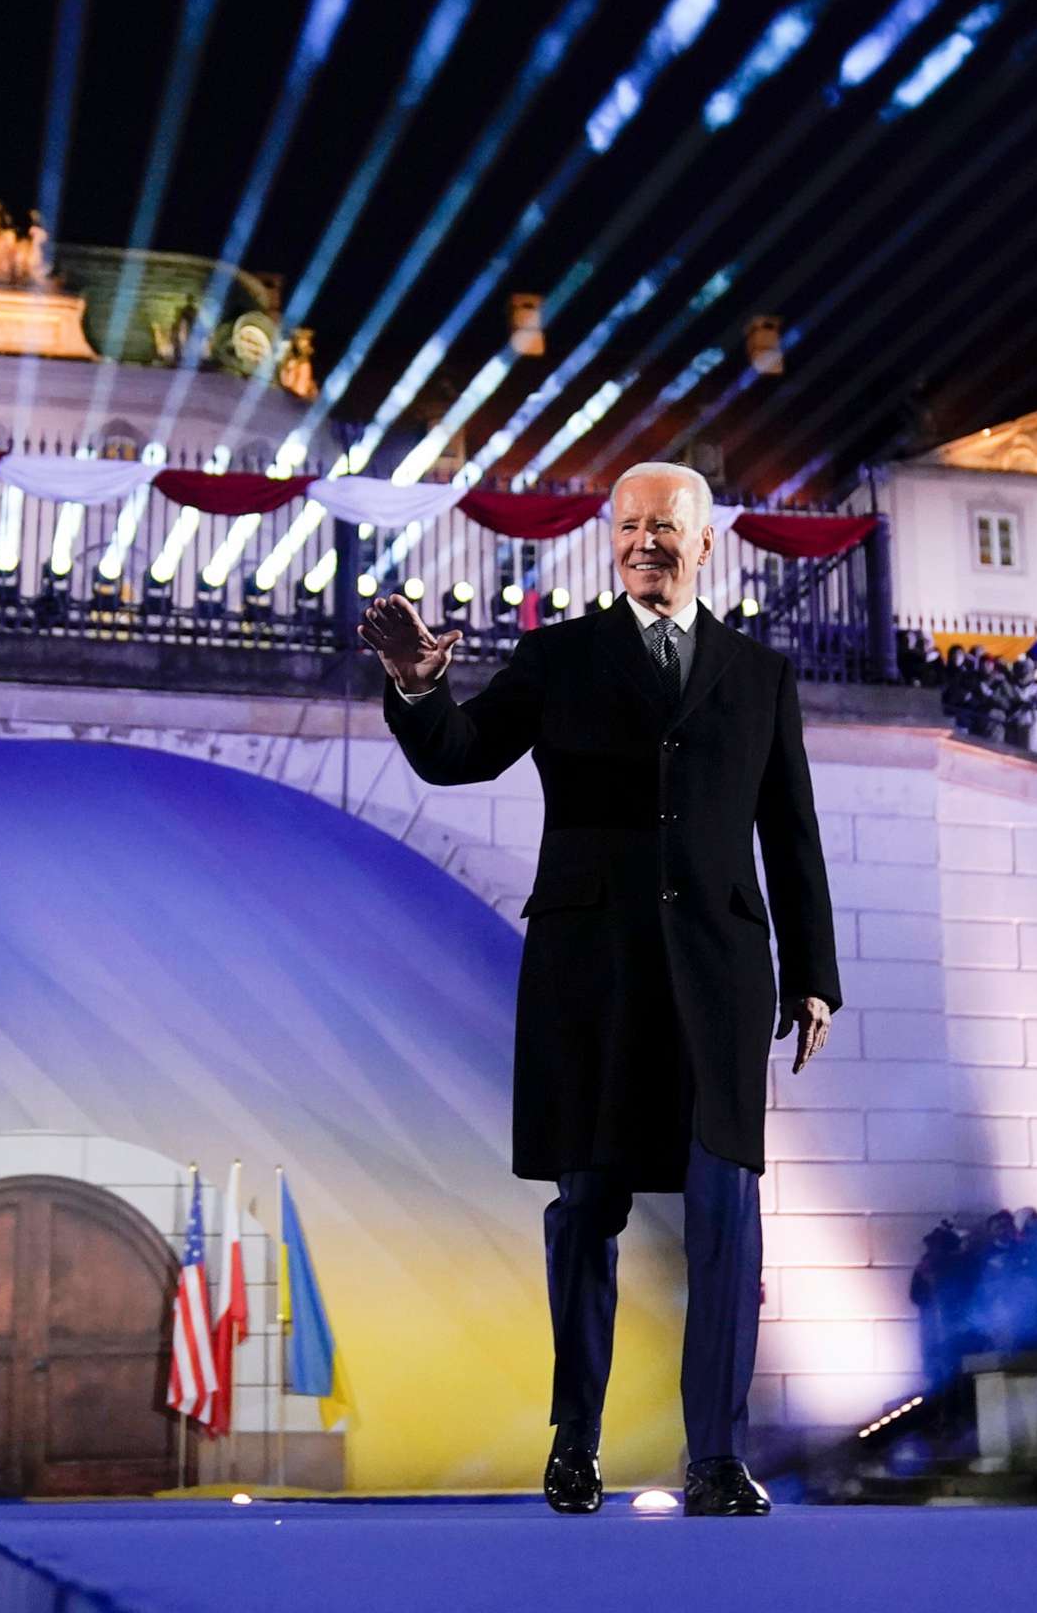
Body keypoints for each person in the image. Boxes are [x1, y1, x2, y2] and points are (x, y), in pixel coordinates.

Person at [362, 459, 841, 1519]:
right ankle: (573, 1442)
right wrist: (418, 689)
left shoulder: (759, 676)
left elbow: (791, 833)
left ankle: (714, 1456)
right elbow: (462, 757)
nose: (643, 543)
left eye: (664, 528)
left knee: (729, 1216)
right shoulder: (560, 658)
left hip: (717, 979)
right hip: (594, 977)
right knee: (586, 1212)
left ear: (705, 544)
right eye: (627, 527)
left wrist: (813, 975)